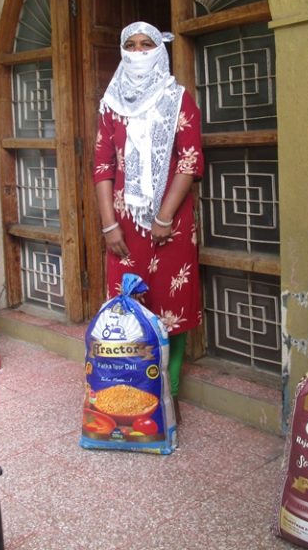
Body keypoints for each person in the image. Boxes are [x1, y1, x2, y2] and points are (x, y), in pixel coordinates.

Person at [92, 21, 204, 421]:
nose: (138, 52)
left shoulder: (178, 99)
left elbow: (189, 162)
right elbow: (102, 165)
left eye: (146, 45)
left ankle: (165, 400)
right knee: (128, 313)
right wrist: (109, 225)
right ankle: (129, 394)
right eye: (131, 45)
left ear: (160, 50)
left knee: (170, 313)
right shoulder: (111, 104)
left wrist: (163, 216)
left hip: (170, 224)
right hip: (122, 228)